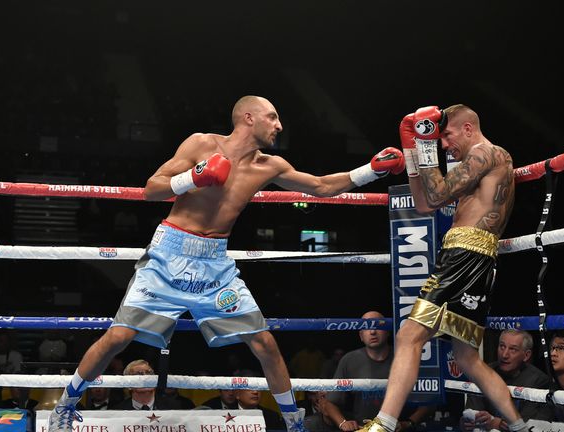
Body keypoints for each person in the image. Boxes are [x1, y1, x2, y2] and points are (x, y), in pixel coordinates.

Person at [47, 95, 405, 432]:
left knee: (264, 343)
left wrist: (370, 170)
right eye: (272, 117)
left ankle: (294, 424)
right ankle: (65, 405)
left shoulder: (270, 165)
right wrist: (194, 177)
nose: (279, 126)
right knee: (119, 336)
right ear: (248, 118)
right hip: (168, 254)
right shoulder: (201, 144)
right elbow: (151, 188)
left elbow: (322, 186)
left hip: (214, 265)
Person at [357, 105, 523, 432]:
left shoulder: (486, 154)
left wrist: (424, 143)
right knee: (468, 359)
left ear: (467, 128)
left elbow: (436, 195)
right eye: (439, 138)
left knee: (408, 336)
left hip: (464, 256)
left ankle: (383, 426)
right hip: (471, 258)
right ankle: (521, 427)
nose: (444, 144)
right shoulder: (478, 161)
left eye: (446, 135)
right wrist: (411, 148)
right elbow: (423, 203)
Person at [324, 311, 434, 432]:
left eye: (377, 326)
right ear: (361, 335)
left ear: (387, 331)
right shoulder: (349, 360)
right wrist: (343, 423)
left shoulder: (406, 357)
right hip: (363, 428)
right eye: (367, 327)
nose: (372, 332)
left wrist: (408, 423)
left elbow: (430, 399)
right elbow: (330, 403)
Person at [460, 330, 552, 432]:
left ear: (526, 355)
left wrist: (498, 423)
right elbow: (472, 412)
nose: (504, 355)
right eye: (502, 346)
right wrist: (468, 422)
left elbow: (529, 424)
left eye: (513, 349)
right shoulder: (484, 374)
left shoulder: (538, 381)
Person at [110, 359, 181, 410]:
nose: (146, 377)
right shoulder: (117, 411)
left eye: (149, 373)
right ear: (128, 385)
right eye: (139, 374)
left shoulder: (174, 407)